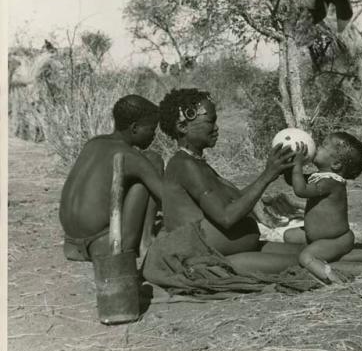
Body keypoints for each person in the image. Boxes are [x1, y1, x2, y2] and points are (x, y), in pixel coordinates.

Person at [155, 88, 299, 275]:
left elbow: (235, 201)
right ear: (182, 127)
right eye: (210, 121)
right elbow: (227, 217)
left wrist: (272, 175)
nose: (216, 128)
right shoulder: (184, 165)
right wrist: (266, 176)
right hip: (215, 259)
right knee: (307, 261)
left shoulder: (195, 162)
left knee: (311, 251)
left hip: (233, 251)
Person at [59, 94, 164, 261]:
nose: (154, 135)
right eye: (151, 129)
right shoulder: (132, 156)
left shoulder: (93, 144)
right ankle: (146, 241)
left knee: (137, 173)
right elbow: (167, 198)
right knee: (154, 161)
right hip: (106, 247)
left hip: (71, 246)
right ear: (135, 127)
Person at [283, 132, 362, 283]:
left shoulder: (331, 183)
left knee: (305, 257)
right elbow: (293, 181)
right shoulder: (319, 176)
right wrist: (288, 164)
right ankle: (329, 255)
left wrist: (297, 164)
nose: (316, 146)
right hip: (318, 238)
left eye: (323, 145)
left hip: (336, 239)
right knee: (288, 236)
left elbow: (300, 190)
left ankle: (334, 279)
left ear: (336, 164)